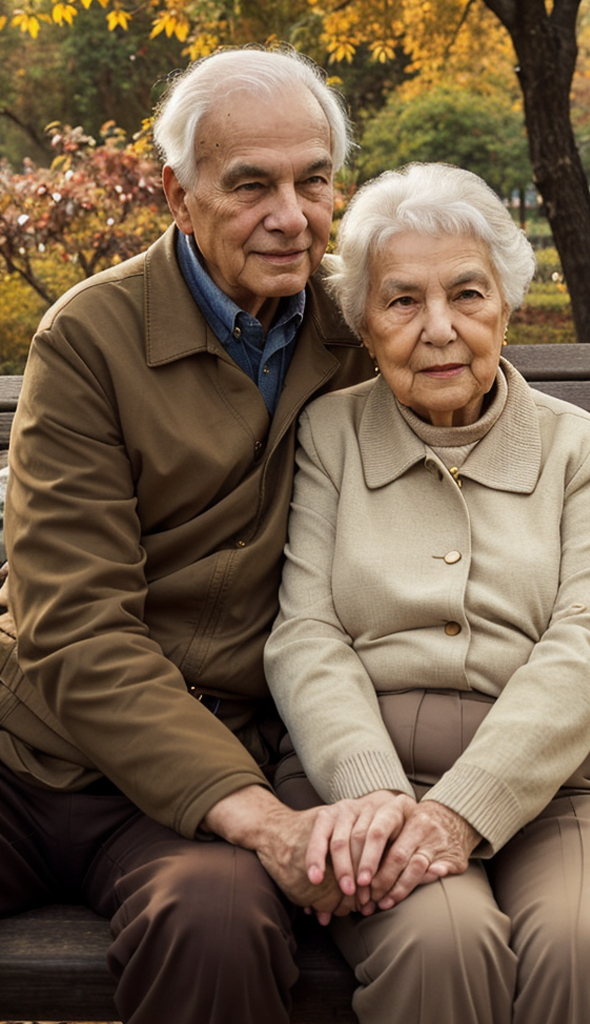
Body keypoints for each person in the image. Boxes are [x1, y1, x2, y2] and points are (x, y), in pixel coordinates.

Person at [0, 46, 374, 1024]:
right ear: (177, 194)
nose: (290, 216)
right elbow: (71, 627)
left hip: (209, 769)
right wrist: (262, 820)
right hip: (34, 752)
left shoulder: (360, 335)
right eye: (250, 184)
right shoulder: (91, 338)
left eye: (313, 181)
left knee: (216, 923)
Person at [264, 162, 590, 1024]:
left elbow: (583, 643)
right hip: (353, 775)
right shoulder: (330, 434)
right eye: (403, 301)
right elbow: (305, 634)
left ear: (507, 306)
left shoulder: (575, 449)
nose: (440, 330)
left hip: (553, 781)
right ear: (364, 324)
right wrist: (372, 792)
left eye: (468, 295)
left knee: (580, 947)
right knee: (442, 945)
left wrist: (460, 810)